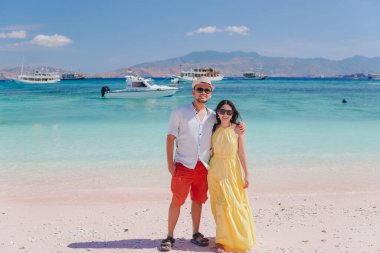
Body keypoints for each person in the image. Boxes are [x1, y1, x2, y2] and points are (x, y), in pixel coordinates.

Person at [160, 77, 244, 252]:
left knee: (198, 201)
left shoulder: (213, 116)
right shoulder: (179, 112)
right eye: (200, 89)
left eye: (207, 90)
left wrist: (240, 128)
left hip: (204, 167)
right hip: (183, 164)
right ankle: (169, 236)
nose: (203, 93)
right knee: (177, 200)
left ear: (210, 94)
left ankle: (196, 233)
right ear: (193, 91)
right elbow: (170, 138)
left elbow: (227, 125)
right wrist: (170, 164)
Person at [208, 100, 255, 253]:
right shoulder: (213, 127)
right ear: (218, 113)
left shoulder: (237, 129)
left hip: (231, 170)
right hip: (214, 170)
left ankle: (236, 238)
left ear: (233, 114)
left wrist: (247, 173)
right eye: (222, 111)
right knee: (218, 205)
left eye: (229, 112)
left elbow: (242, 152)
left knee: (230, 204)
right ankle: (222, 241)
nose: (225, 114)